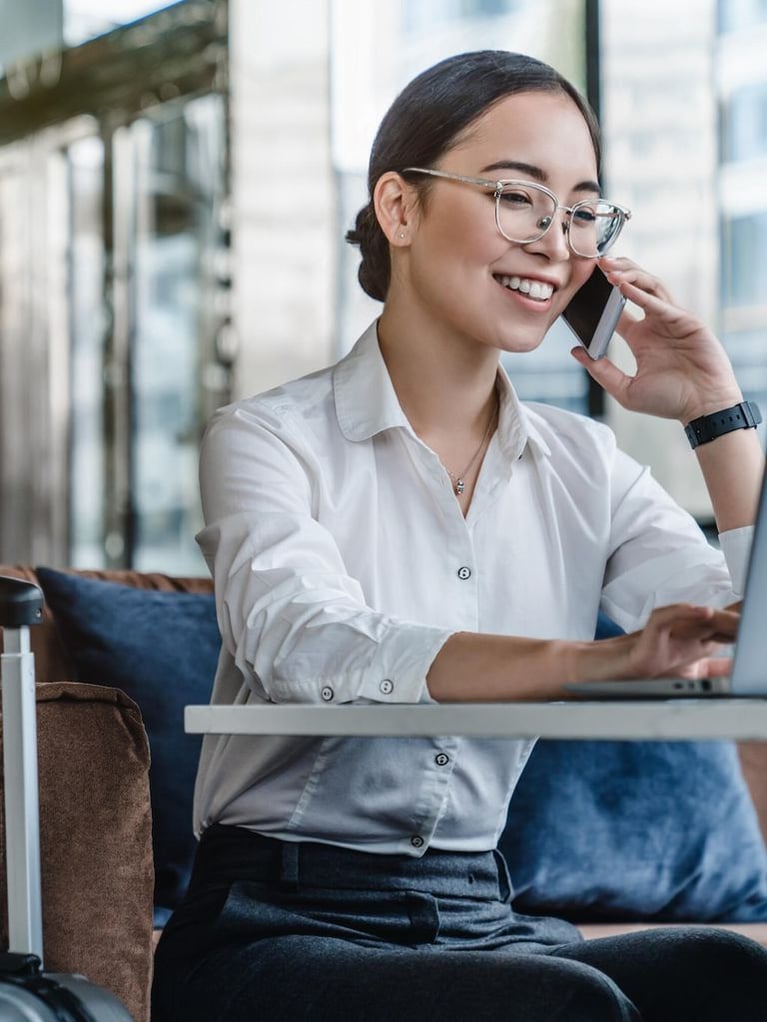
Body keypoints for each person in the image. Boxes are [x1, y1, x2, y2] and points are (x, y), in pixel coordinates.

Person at [152, 50, 767, 1021]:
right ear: (398, 209)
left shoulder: (584, 466)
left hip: (479, 909)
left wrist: (713, 411)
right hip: (274, 922)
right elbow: (310, 645)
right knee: (560, 1004)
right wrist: (596, 659)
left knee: (731, 975)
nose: (556, 243)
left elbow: (751, 647)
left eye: (578, 211)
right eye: (517, 198)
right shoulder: (267, 439)